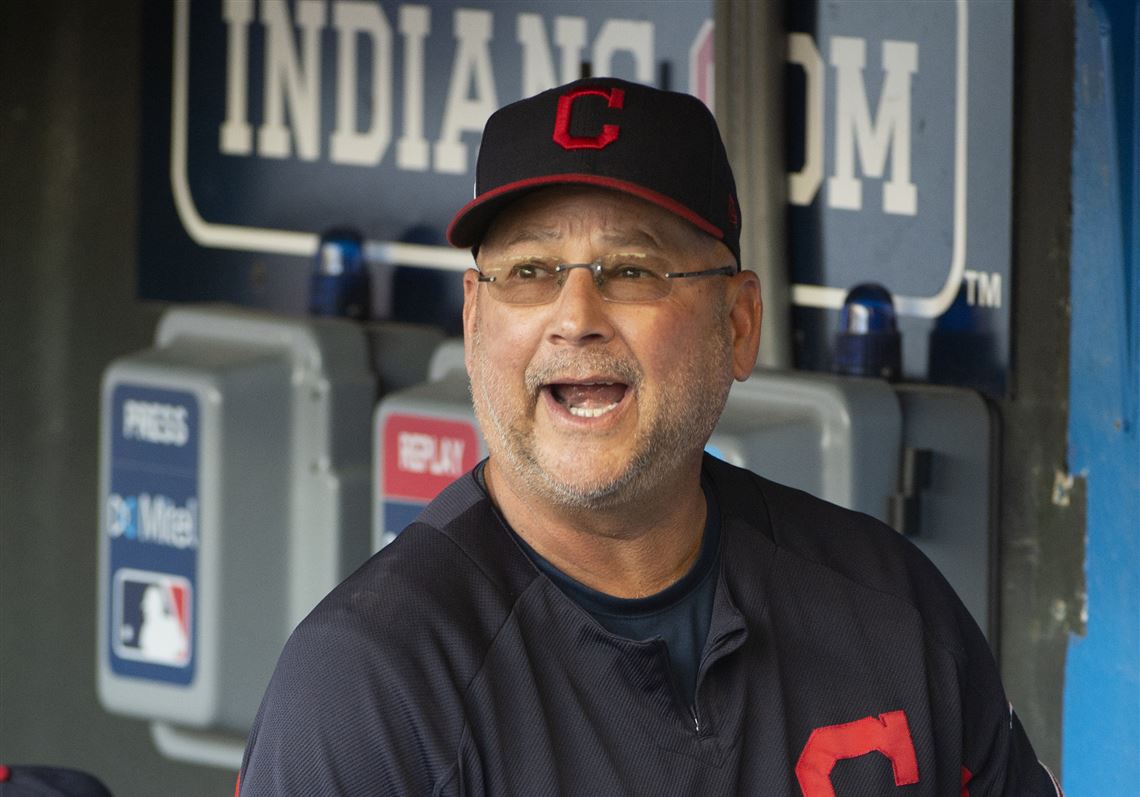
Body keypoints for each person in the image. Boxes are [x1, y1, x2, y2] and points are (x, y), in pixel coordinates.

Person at [238, 77, 1060, 795]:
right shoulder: (367, 685)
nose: (576, 317)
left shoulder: (892, 613)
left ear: (737, 325)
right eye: (530, 272)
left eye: (632, 269)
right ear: (475, 317)